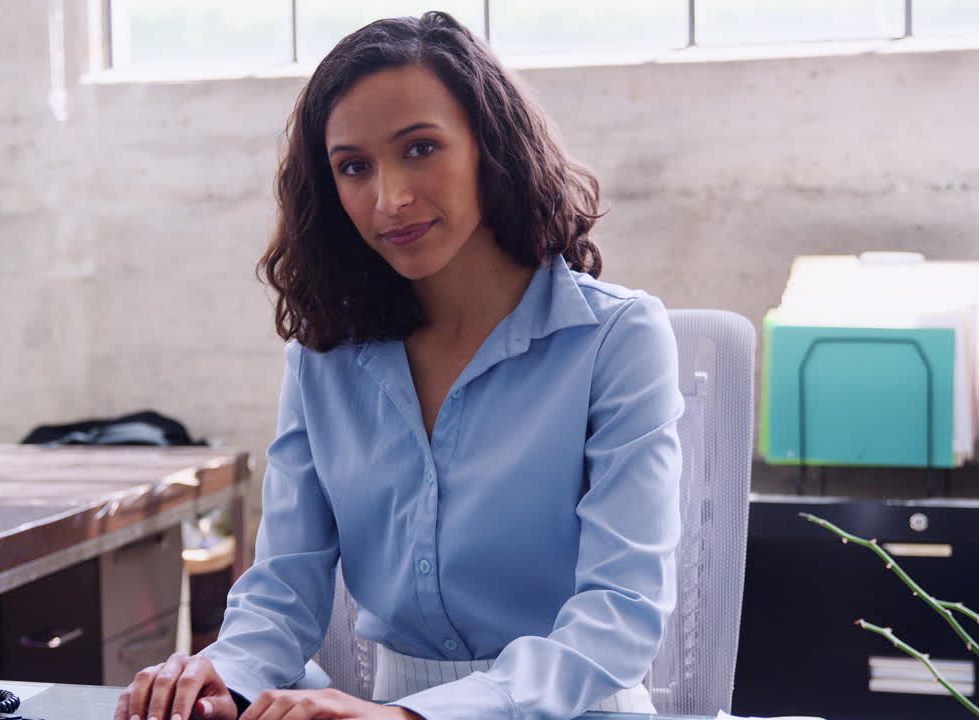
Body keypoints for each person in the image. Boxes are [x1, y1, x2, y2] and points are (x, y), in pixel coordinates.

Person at [115, 10, 682, 720]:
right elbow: (285, 586)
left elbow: (619, 617)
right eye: (354, 166)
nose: (390, 199)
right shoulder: (325, 355)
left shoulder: (618, 339)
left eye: (420, 149)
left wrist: (414, 719)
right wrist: (221, 680)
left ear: (490, 146)